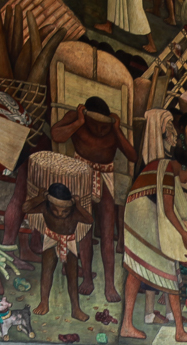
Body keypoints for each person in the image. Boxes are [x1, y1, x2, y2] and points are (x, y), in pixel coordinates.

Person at [119, 114, 187, 343]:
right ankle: (180, 331)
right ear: (182, 167)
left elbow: (176, 202)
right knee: (168, 267)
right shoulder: (167, 169)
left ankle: (127, 325)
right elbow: (167, 209)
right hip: (142, 217)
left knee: (137, 269)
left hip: (139, 215)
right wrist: (184, 234)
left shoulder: (166, 168)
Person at [51, 96, 139, 303]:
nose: (100, 129)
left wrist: (116, 130)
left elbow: (132, 156)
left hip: (106, 174)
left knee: (108, 234)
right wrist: (79, 123)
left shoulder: (113, 126)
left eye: (104, 125)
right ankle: (88, 278)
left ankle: (109, 283)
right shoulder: (77, 117)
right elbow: (56, 134)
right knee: (85, 231)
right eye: (95, 124)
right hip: (82, 171)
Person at [22, 183, 94, 322]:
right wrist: (39, 198)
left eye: (64, 211)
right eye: (55, 210)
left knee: (72, 277)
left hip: (69, 241)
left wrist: (78, 205)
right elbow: (25, 208)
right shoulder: (45, 206)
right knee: (47, 272)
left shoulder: (74, 210)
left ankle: (76, 308)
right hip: (51, 238)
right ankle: (44, 302)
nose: (60, 213)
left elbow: (89, 220)